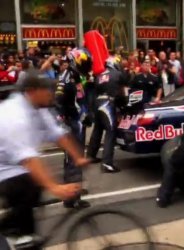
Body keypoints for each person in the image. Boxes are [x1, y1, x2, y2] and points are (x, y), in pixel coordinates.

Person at [0, 69, 89, 247]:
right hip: (5, 167)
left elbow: (57, 134)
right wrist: (56, 188)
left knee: (31, 195)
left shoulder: (38, 107)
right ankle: (9, 233)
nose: (51, 93)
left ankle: (24, 235)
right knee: (26, 186)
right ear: (32, 92)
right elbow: (29, 159)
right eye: (46, 90)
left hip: (16, 163)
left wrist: (78, 158)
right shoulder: (15, 116)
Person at [55, 48, 93, 209]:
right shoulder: (66, 78)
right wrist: (64, 124)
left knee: (75, 158)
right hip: (70, 124)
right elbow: (59, 102)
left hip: (76, 121)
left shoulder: (74, 76)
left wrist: (85, 116)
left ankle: (73, 190)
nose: (85, 66)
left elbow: (79, 99)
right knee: (73, 159)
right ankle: (72, 198)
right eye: (83, 63)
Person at [87, 57, 126, 173]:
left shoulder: (99, 75)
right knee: (111, 131)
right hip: (108, 103)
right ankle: (107, 163)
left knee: (97, 129)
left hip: (97, 103)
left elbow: (93, 91)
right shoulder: (118, 74)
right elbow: (123, 91)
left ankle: (90, 155)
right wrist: (124, 104)